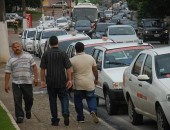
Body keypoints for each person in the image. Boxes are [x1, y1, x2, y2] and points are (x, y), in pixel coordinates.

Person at [40, 36, 72, 126]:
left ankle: (55, 120)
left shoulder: (46, 54)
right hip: (62, 80)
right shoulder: (63, 53)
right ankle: (65, 112)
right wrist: (69, 79)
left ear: (50, 43)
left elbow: (42, 69)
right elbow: (68, 68)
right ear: (58, 42)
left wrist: (42, 80)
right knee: (64, 98)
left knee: (53, 101)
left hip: (50, 82)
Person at [5, 41, 38, 123]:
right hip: (16, 83)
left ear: (21, 47)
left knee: (29, 99)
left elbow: (34, 67)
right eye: (15, 47)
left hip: (27, 82)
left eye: (18, 46)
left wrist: (36, 78)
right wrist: (6, 84)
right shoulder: (10, 59)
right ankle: (19, 116)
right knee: (17, 100)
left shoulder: (28, 56)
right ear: (12, 49)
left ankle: (27, 109)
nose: (17, 48)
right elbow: (7, 72)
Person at [70, 42, 99, 123]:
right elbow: (95, 70)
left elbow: (71, 73)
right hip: (89, 83)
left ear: (76, 50)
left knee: (78, 101)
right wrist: (96, 79)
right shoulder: (90, 58)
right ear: (84, 48)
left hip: (78, 84)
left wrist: (70, 81)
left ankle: (80, 118)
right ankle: (93, 110)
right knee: (91, 98)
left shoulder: (72, 60)